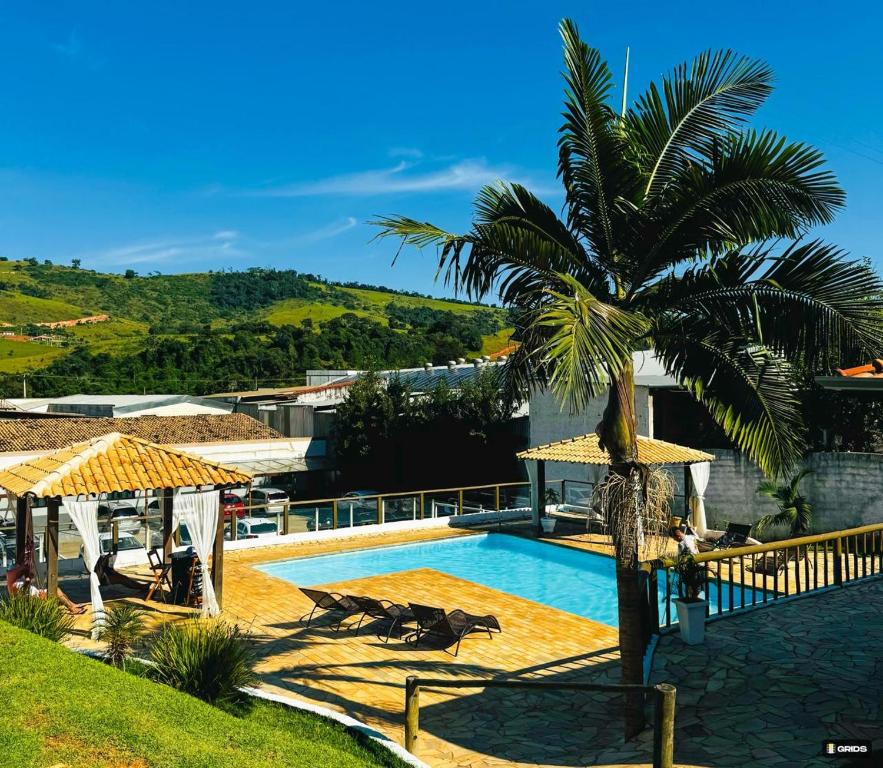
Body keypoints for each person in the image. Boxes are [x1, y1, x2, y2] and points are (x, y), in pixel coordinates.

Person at [5, 562, 85, 615]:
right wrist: (27, 580)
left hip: (37, 595)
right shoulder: (13, 585)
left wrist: (28, 575)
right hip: (35, 599)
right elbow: (23, 591)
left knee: (56, 589)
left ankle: (72, 605)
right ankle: (72, 608)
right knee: (55, 591)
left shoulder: (15, 581)